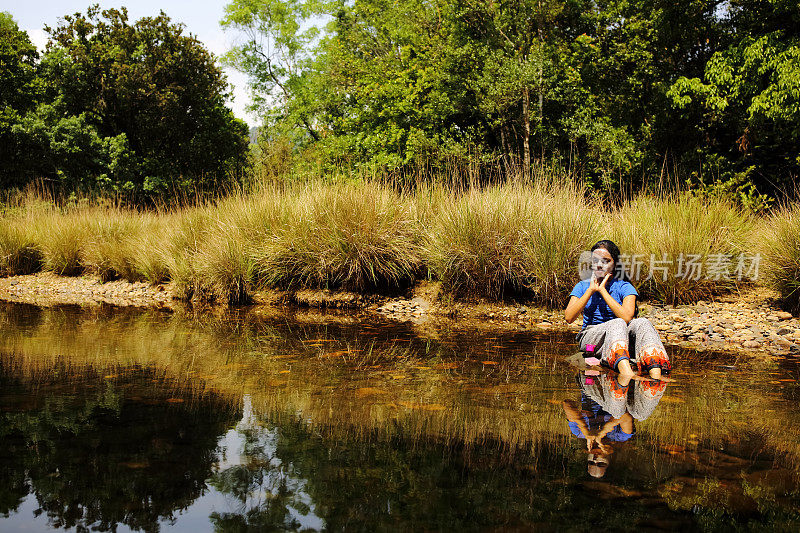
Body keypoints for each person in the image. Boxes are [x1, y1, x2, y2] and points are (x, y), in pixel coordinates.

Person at [564, 240, 673, 381]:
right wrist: (591, 290)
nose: (599, 264)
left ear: (615, 264)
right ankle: (627, 373)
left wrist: (603, 291)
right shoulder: (582, 286)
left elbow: (627, 317)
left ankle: (657, 375)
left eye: (605, 261)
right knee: (617, 323)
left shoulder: (624, 287)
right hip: (591, 337)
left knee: (643, 323)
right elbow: (569, 317)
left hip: (620, 335)